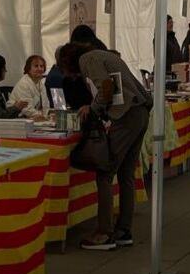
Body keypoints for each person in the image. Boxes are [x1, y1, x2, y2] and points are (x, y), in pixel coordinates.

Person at [59, 43, 151, 251]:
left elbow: (106, 87)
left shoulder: (88, 60)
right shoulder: (105, 56)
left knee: (105, 172)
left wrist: (92, 109)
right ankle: (123, 230)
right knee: (126, 174)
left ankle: (104, 233)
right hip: (139, 112)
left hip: (126, 116)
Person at [10, 54, 49, 119]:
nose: (39, 69)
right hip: (17, 118)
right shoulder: (24, 83)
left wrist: (47, 115)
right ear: (29, 69)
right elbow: (26, 109)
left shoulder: (40, 83)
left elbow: (46, 105)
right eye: (36, 66)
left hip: (32, 118)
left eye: (41, 66)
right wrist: (44, 116)